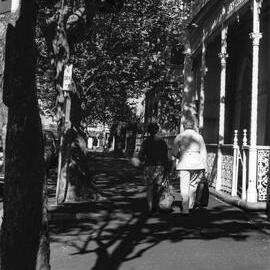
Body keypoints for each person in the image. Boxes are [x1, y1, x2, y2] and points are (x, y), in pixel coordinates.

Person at [172, 117, 207, 215]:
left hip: (184, 163)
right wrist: (205, 166)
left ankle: (185, 208)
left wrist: (180, 155)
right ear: (193, 126)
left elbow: (174, 152)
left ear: (183, 126)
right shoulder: (199, 137)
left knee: (184, 186)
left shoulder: (179, 136)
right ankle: (190, 205)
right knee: (193, 185)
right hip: (197, 163)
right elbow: (203, 152)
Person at [137, 123, 169, 214]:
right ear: (157, 130)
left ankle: (150, 207)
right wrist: (167, 169)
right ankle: (157, 206)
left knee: (150, 188)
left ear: (149, 131)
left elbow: (141, 156)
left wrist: (142, 160)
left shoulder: (145, 142)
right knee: (159, 187)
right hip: (160, 167)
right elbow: (165, 157)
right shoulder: (162, 142)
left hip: (149, 167)